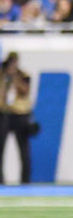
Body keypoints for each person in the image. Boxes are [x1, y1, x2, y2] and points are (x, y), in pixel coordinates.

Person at [0, 52, 34, 184]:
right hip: (4, 114)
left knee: (24, 150)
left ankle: (25, 180)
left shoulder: (23, 75)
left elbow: (24, 91)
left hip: (20, 115)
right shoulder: (2, 75)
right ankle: (1, 180)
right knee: (0, 149)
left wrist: (14, 76)